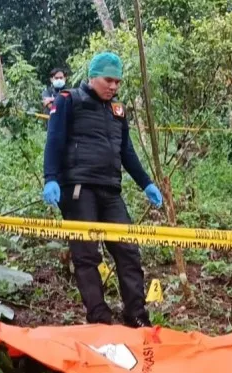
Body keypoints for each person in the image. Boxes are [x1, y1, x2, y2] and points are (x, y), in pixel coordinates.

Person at [41, 52, 163, 327]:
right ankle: (100, 319)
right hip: (78, 189)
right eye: (109, 80)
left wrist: (146, 183)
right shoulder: (68, 100)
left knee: (128, 250)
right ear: (93, 76)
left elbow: (127, 152)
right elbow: (54, 141)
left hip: (110, 191)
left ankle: (136, 316)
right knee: (86, 255)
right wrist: (50, 177)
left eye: (118, 82)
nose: (113, 87)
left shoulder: (117, 111)